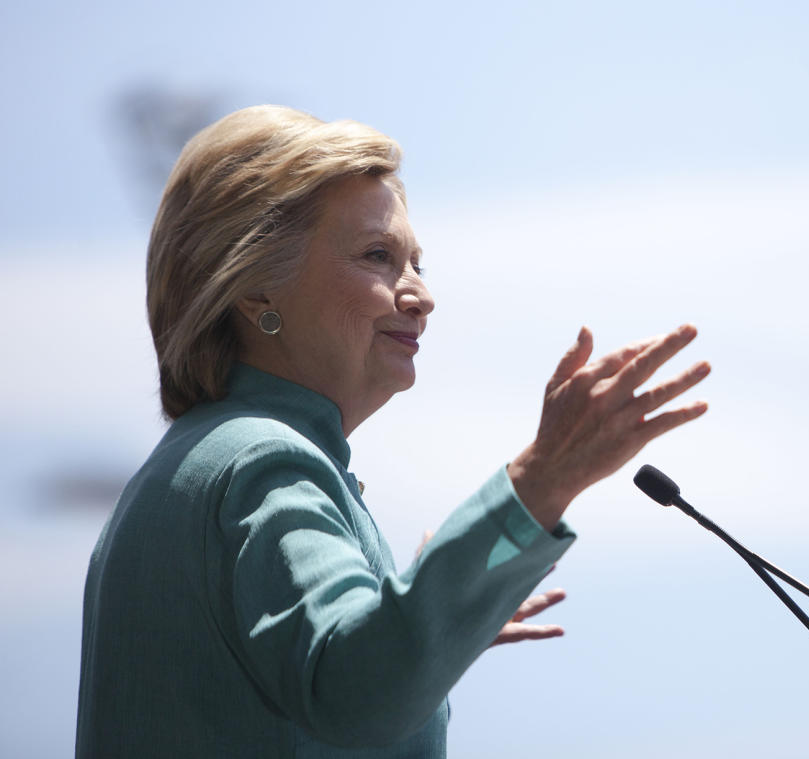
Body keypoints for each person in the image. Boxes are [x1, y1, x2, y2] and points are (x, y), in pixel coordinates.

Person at [76, 105, 710, 758]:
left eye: (417, 263)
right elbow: (356, 691)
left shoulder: (200, 460)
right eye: (378, 256)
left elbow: (355, 669)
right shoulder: (261, 460)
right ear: (257, 290)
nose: (420, 295)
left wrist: (427, 618)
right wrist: (542, 478)